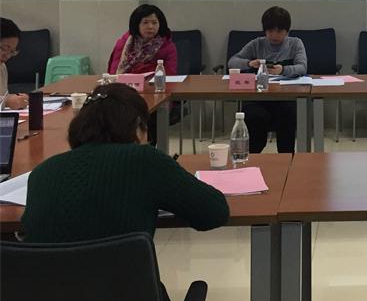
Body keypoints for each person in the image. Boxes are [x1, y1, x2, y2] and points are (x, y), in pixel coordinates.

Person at [23, 83, 229, 239]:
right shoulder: (145, 161)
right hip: (128, 283)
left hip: (47, 284)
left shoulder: (42, 173)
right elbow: (214, 212)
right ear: (138, 125)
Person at [228, 6, 307, 154]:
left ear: (287, 31)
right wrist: (249, 63)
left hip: (285, 97)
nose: (274, 35)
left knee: (288, 114)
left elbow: (302, 67)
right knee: (255, 117)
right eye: (270, 31)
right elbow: (232, 62)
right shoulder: (257, 44)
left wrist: (283, 70)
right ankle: (252, 157)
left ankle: (286, 158)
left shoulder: (295, 43)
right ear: (265, 31)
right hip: (257, 98)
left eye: (279, 31)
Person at [108, 4, 177, 76]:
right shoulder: (123, 44)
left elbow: (170, 76)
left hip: (154, 83)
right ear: (136, 24)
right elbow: (113, 73)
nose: (150, 27)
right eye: (145, 22)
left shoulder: (168, 47)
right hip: (123, 83)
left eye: (154, 23)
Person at [0, 17, 28, 110]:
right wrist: (7, 101)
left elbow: (3, 95)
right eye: (4, 48)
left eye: (12, 51)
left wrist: (18, 99)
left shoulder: (2, 67)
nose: (8, 56)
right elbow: (4, 100)